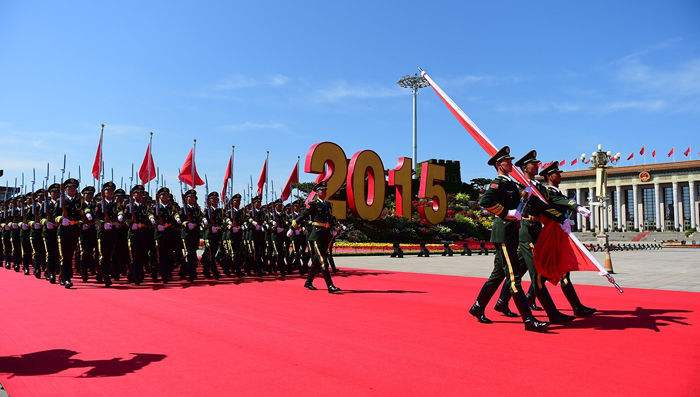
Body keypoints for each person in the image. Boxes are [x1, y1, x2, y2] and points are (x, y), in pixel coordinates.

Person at [467, 146, 548, 332]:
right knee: (513, 277)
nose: (511, 163)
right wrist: (505, 213)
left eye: (511, 160)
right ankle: (528, 320)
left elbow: (517, 203)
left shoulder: (510, 183)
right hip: (503, 233)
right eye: (507, 161)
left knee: (498, 274)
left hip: (510, 232)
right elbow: (485, 202)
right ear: (499, 164)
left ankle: (478, 306)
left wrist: (523, 198)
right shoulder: (498, 183)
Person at [493, 150, 576, 324]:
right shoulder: (519, 184)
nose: (538, 165)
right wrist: (507, 212)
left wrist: (562, 218)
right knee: (537, 273)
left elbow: (545, 206)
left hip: (536, 229)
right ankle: (552, 313)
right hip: (525, 229)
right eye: (534, 164)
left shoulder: (538, 187)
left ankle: (501, 301)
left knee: (518, 270)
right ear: (525, 167)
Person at [538, 162, 597, 317]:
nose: (560, 175)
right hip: (552, 235)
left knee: (549, 272)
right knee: (556, 272)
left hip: (559, 234)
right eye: (557, 173)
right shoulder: (550, 192)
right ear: (550, 176)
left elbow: (563, 202)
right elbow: (562, 202)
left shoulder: (557, 192)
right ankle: (577, 307)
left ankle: (527, 298)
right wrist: (577, 207)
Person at [292, 182, 341, 293]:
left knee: (316, 262)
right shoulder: (313, 204)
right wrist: (293, 226)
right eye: (322, 190)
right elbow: (304, 215)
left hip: (326, 235)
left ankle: (308, 282)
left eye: (325, 190)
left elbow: (330, 218)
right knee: (323, 260)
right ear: (317, 192)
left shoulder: (328, 204)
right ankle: (330, 286)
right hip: (316, 236)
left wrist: (335, 227)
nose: (324, 192)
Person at [56, 178, 82, 288]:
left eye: (73, 188)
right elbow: (54, 216)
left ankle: (65, 275)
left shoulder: (78, 201)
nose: (71, 189)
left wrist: (75, 221)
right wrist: (61, 219)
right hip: (63, 231)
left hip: (74, 230)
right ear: (65, 189)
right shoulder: (61, 200)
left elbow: (82, 217)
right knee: (64, 255)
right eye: (69, 188)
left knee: (70, 255)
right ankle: (65, 278)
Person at [180, 189, 203, 282]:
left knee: (193, 253)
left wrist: (196, 224)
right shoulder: (182, 209)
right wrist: (186, 223)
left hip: (195, 233)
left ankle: (190, 271)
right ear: (186, 199)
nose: (192, 198)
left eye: (194, 197)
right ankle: (191, 273)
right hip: (186, 234)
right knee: (189, 254)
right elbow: (180, 220)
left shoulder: (197, 209)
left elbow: (200, 218)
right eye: (190, 197)